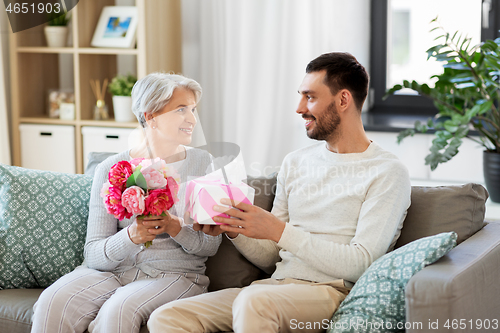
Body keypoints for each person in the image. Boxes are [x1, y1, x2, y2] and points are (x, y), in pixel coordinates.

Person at [147, 52, 412, 333]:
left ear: (343, 100)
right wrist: (235, 228)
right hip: (273, 289)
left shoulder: (387, 171)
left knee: (254, 301)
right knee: (167, 316)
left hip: (331, 293)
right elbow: (273, 256)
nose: (299, 108)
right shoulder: (295, 161)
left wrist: (279, 231)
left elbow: (362, 263)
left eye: (310, 97)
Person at [31, 73, 222, 333]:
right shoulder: (111, 168)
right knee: (53, 301)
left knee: (119, 310)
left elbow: (209, 245)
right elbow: (94, 254)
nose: (192, 119)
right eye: (181, 110)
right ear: (151, 115)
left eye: (192, 109)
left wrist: (175, 227)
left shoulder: (204, 165)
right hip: (112, 273)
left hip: (175, 275)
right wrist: (131, 236)